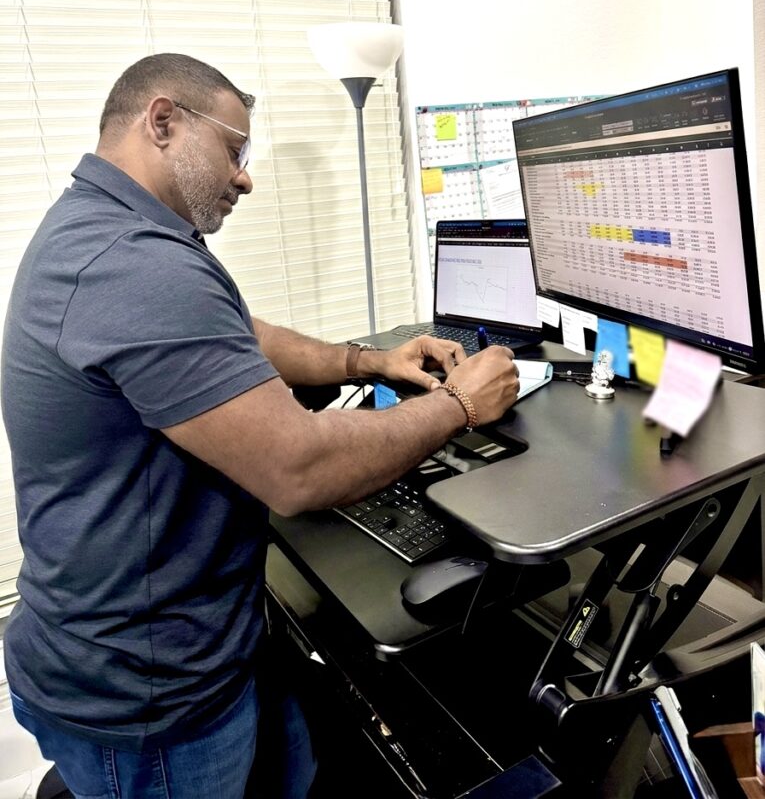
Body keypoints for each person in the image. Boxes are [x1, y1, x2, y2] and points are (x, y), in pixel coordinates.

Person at [0, 53, 520, 799]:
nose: (244, 178)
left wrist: (366, 361)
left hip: (176, 645)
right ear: (162, 121)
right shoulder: (131, 265)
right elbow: (299, 468)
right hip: (147, 696)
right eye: (234, 150)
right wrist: (459, 406)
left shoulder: (109, 227)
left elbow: (237, 336)